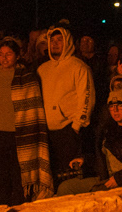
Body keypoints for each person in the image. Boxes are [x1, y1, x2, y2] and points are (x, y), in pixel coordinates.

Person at [0, 37, 52, 207]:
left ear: (17, 56)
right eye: (1, 54)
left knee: (19, 177)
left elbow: (34, 110)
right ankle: (0, 210)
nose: (4, 58)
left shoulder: (28, 77)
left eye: (9, 54)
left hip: (20, 136)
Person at [37, 25, 95, 189]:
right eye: (52, 40)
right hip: (48, 133)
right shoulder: (42, 69)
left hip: (69, 131)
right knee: (53, 178)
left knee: (70, 179)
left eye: (59, 40)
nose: (55, 44)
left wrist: (77, 126)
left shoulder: (79, 67)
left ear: (68, 42)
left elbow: (87, 97)